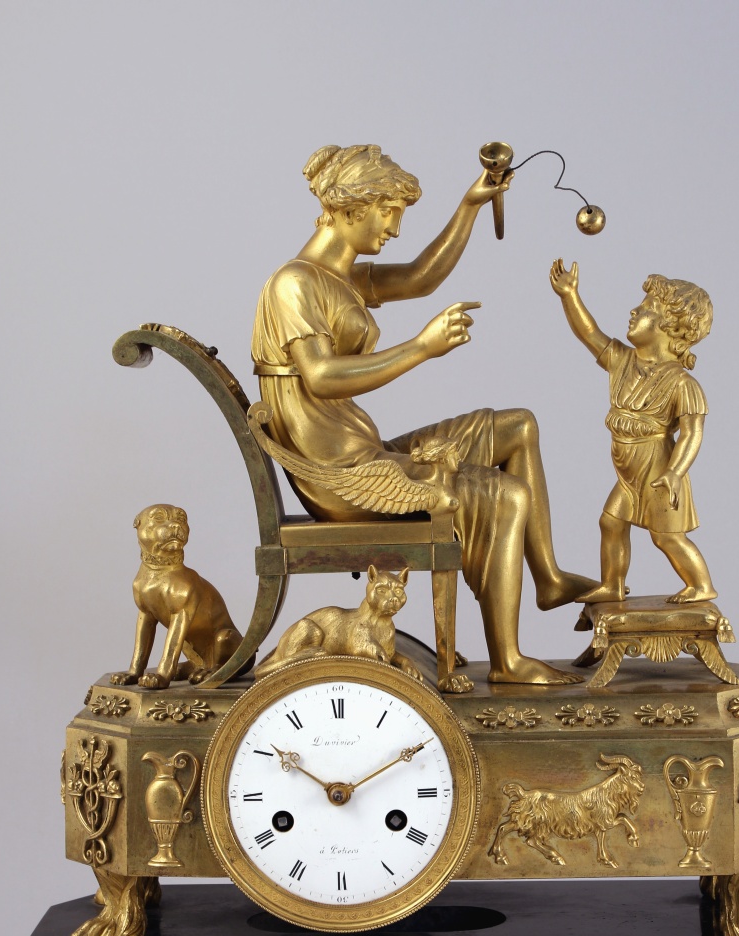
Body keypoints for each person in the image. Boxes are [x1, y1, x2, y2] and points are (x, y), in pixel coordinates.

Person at [252, 144, 596, 684]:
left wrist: (470, 205)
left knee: (518, 426)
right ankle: (507, 661)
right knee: (507, 496)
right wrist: (421, 347)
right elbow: (320, 376)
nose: (394, 228)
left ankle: (548, 577)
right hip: (343, 476)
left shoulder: (340, 277)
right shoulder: (294, 284)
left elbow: (420, 277)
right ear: (350, 208)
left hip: (365, 452)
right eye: (388, 212)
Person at [549, 261, 717, 603]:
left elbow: (691, 433)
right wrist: (570, 296)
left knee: (667, 537)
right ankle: (612, 584)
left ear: (671, 326)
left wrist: (674, 472)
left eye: (647, 307)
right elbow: (589, 333)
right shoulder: (623, 362)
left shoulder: (683, 384)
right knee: (610, 522)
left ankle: (701, 586)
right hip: (628, 473)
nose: (634, 310)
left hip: (658, 472)